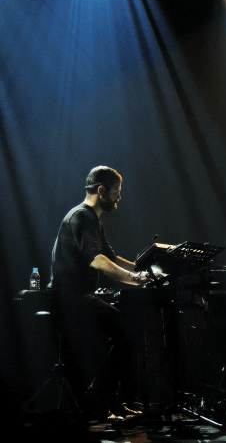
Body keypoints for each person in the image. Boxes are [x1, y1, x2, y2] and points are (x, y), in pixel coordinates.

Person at [49, 166, 153, 419]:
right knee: (127, 333)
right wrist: (134, 278)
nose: (119, 197)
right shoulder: (82, 217)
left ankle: (109, 403)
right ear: (102, 190)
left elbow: (111, 258)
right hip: (69, 299)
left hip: (77, 297)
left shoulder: (92, 219)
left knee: (124, 333)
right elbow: (97, 260)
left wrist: (146, 270)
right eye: (117, 192)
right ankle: (98, 400)